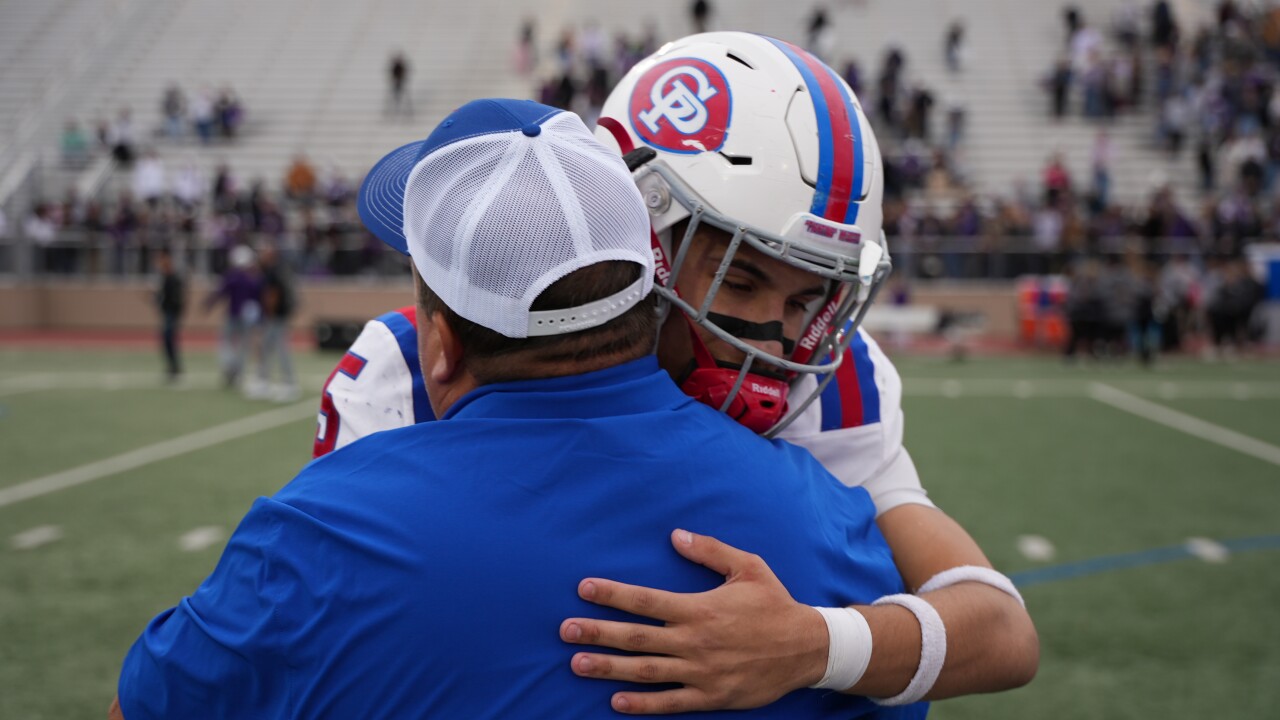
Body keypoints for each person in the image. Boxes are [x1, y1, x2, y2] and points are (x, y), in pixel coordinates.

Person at [112, 98, 921, 719]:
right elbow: (966, 644)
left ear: (440, 343)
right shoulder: (825, 522)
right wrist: (826, 644)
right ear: (657, 291)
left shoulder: (318, 537)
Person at [315, 33, 1037, 714]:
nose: (776, 339)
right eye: (741, 280)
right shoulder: (419, 362)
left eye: (807, 296)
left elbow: (999, 628)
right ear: (643, 230)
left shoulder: (835, 376)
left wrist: (818, 645)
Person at [204, 244, 260, 390]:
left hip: (233, 316)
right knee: (242, 347)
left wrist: (208, 304)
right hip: (245, 318)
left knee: (225, 343)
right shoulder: (251, 279)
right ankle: (238, 374)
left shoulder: (232, 277)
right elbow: (258, 298)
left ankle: (230, 368)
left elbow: (219, 293)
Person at [249, 245, 298, 401]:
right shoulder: (279, 270)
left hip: (276, 317)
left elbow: (273, 295)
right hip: (279, 316)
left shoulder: (273, 271)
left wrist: (268, 314)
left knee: (277, 349)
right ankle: (265, 381)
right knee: (269, 348)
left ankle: (288, 383)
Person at [153, 249, 186, 383]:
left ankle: (175, 368)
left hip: (171, 313)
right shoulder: (166, 277)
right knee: (168, 341)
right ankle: (173, 367)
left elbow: (176, 298)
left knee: (169, 340)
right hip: (168, 312)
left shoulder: (173, 278)